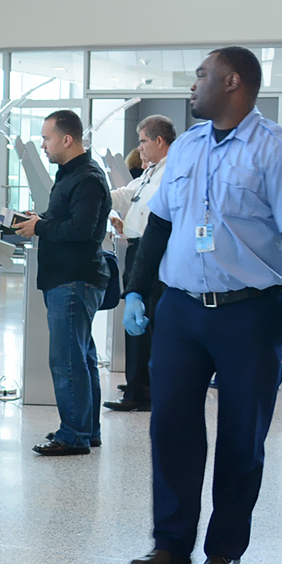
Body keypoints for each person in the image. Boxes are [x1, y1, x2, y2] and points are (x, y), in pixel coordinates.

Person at [124, 47, 282, 564]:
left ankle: (225, 548)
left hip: (251, 313)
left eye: (201, 76)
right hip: (182, 311)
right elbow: (159, 226)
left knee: (242, 433)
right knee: (171, 428)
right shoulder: (185, 147)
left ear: (233, 82)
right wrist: (137, 290)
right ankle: (170, 544)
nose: (193, 85)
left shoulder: (281, 152)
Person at [13, 109, 112, 456]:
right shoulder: (70, 175)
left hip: (74, 280)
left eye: (46, 138)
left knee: (67, 360)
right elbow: (68, 220)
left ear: (67, 139)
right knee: (81, 358)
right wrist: (41, 219)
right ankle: (87, 429)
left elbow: (81, 230)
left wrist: (40, 227)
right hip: (67, 278)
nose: (43, 145)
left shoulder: (87, 178)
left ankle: (74, 434)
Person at [104, 115, 175, 412]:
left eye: (144, 141)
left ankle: (143, 390)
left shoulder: (171, 172)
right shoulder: (150, 172)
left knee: (149, 323)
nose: (140, 148)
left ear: (160, 141)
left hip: (155, 255)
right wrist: (97, 200)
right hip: (135, 249)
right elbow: (127, 196)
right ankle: (136, 386)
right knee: (136, 326)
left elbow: (154, 214)